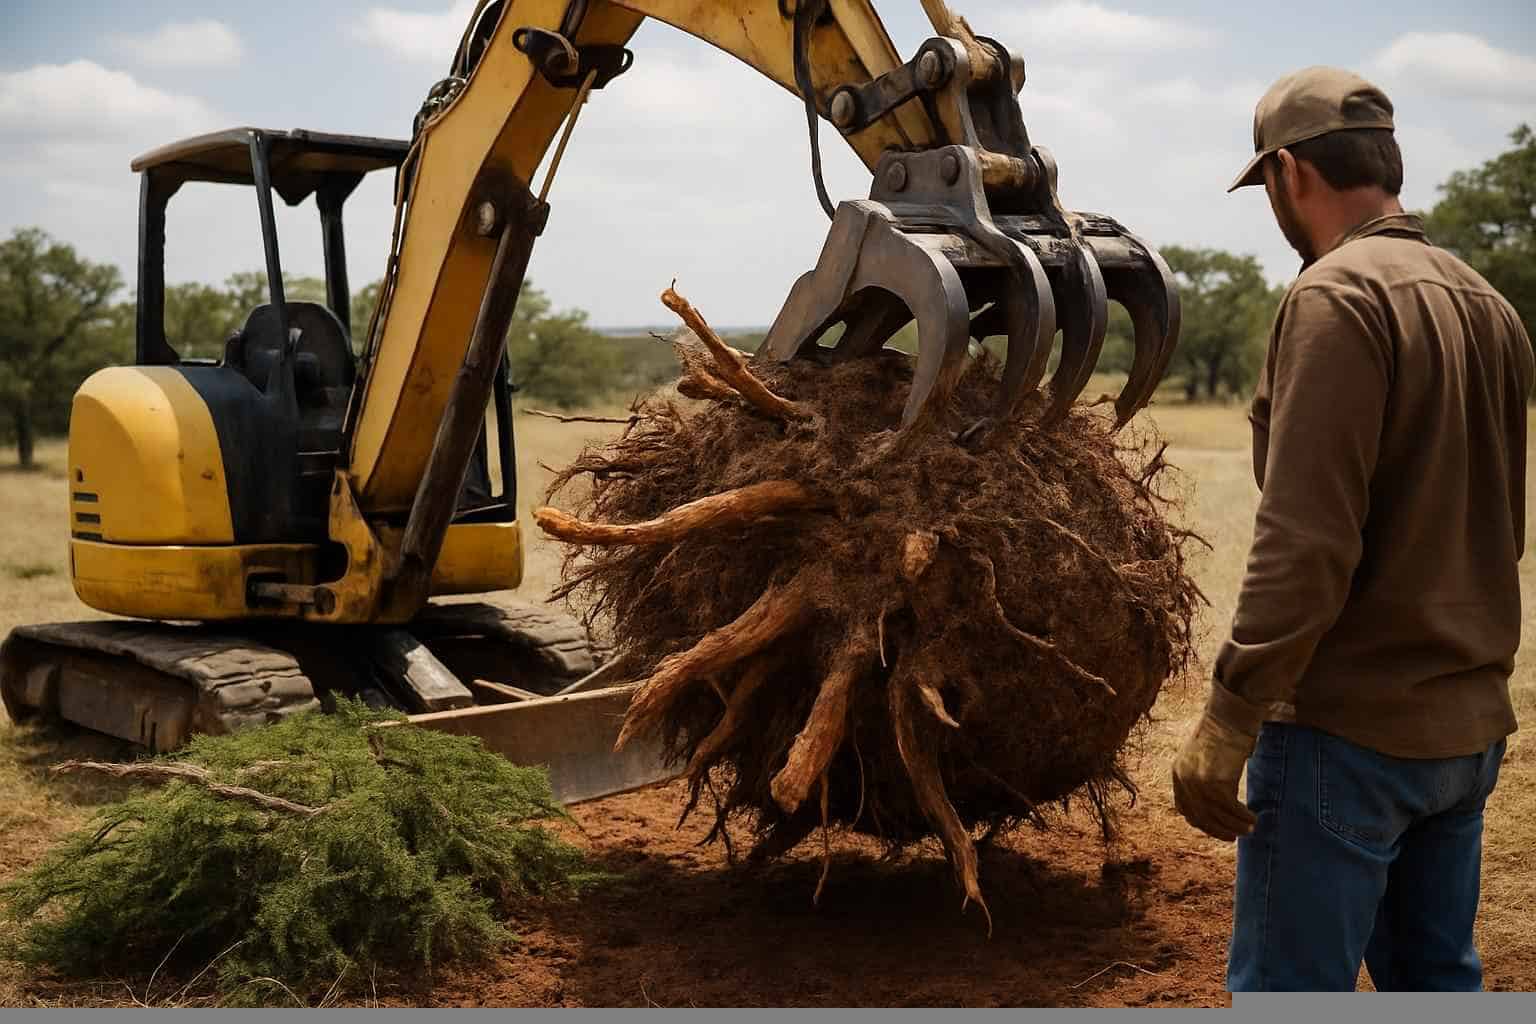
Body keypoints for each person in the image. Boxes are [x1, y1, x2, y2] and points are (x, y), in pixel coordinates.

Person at [1170, 66, 1533, 992]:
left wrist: (1230, 714)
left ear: (1289, 172)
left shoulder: (1335, 296)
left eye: (1267, 185)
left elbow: (1305, 545)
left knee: (1290, 994)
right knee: (1435, 987)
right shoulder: (1490, 306)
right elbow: (1504, 534)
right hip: (1465, 735)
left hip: (1347, 739)